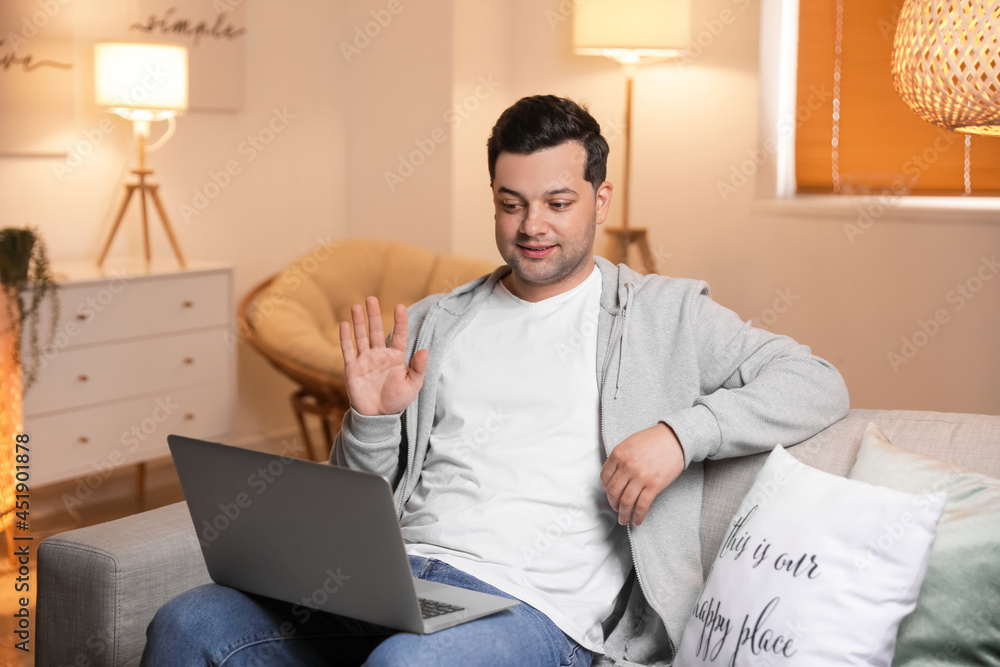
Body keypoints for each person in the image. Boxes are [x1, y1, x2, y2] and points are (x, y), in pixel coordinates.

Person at [141, 95, 848, 666]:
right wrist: (373, 419)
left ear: (600, 201)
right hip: (399, 581)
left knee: (405, 664)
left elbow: (816, 381)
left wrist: (679, 434)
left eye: (557, 202)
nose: (531, 225)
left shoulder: (665, 313)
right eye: (511, 203)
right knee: (190, 620)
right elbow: (358, 503)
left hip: (535, 609)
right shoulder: (431, 322)